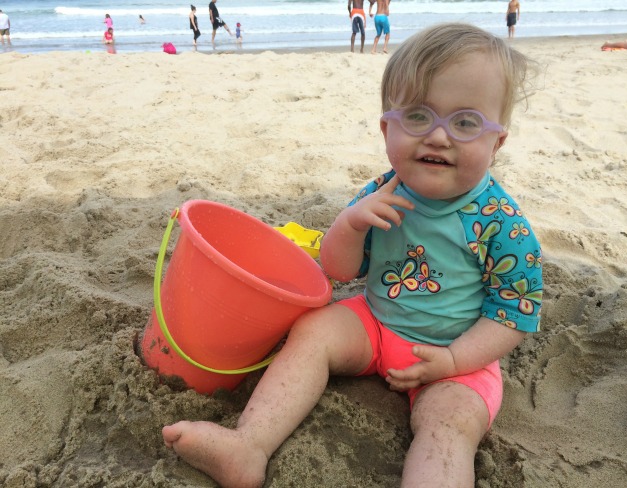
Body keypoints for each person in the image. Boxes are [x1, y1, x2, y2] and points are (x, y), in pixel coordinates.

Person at [161, 22, 542, 487]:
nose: (439, 137)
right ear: (387, 128)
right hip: (376, 325)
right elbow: (338, 271)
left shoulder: (503, 223)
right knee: (313, 331)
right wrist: (350, 224)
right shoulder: (381, 192)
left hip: (455, 357)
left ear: (496, 143)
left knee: (449, 426)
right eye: (418, 116)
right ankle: (248, 445)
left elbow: (513, 314)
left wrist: (454, 361)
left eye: (465, 123)